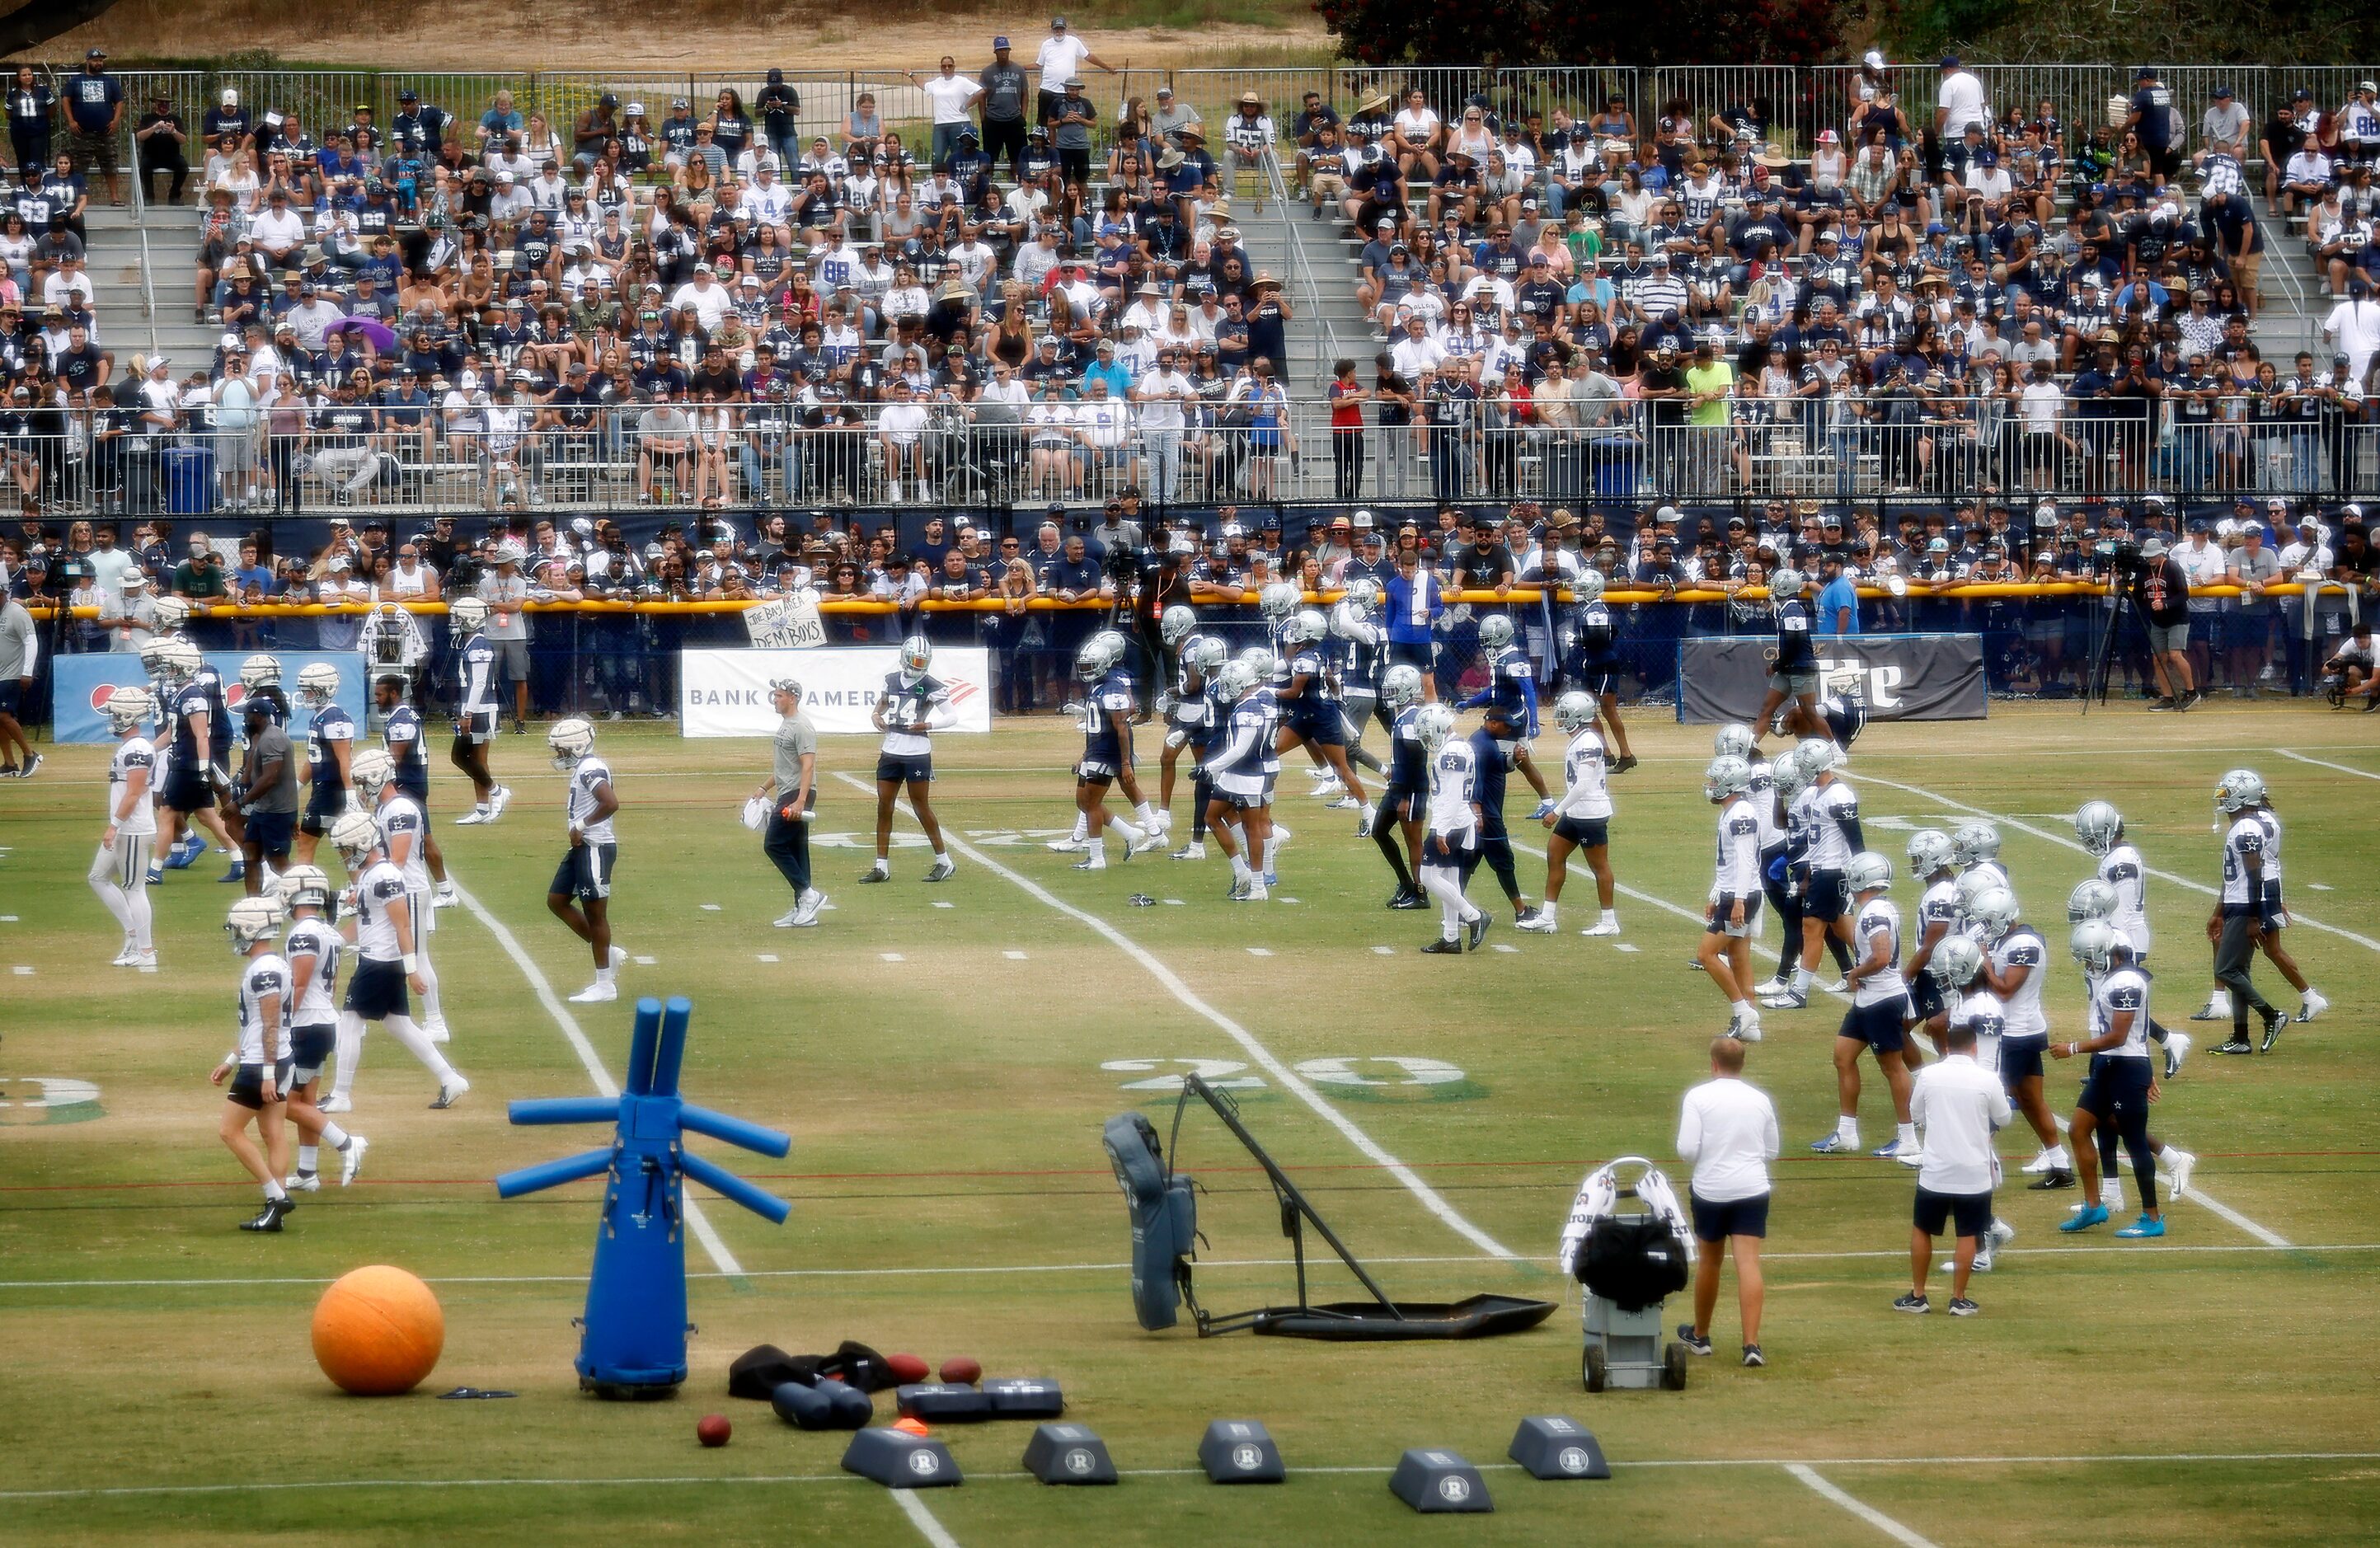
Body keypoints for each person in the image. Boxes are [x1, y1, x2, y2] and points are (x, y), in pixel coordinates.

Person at [319, 809, 467, 1114]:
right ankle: (450, 1078)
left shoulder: (385, 876)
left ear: (361, 844)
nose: (344, 855)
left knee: (348, 1024)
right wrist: (332, 941)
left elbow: (402, 924)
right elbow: (366, 921)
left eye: (346, 849)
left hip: (381, 962)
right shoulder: (372, 875)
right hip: (377, 958)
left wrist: (412, 970)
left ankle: (341, 1095)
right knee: (399, 1024)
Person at [2054, 922, 2166, 1239]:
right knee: (2078, 1129)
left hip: (2126, 1069)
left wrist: (2072, 1048)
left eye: (2090, 958)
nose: (2089, 966)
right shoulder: (2114, 978)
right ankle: (2094, 1206)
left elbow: (2119, 1036)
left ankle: (2152, 1217)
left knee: (2134, 1142)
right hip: (2108, 1066)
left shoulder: (2127, 981)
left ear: (2106, 953)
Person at [1674, 1036, 1777, 1365]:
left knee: (1710, 1261)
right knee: (1748, 1263)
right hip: (1752, 1187)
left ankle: (1701, 1334)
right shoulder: (1760, 1099)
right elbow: (1771, 1150)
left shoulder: (1698, 1097)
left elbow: (1687, 1150)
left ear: (1713, 1064)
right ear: (1742, 1065)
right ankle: (1751, 1344)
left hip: (1711, 1189)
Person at [1897, 1017, 2009, 1316]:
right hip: (1974, 1171)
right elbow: (2005, 1116)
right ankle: (1958, 1298)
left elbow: (1916, 1112)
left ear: (1946, 1046)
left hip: (1936, 1170)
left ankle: (1918, 1295)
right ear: (1974, 1048)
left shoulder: (1930, 1076)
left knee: (1922, 1229)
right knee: (1968, 1233)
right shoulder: (1987, 1079)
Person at [1813, 850, 1918, 1160]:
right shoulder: (1878, 908)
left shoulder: (1874, 913)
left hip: (1882, 998)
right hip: (1869, 999)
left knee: (1892, 1067)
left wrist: (1855, 972)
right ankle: (1847, 1133)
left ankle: (1909, 1137)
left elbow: (1882, 956)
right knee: (1843, 1056)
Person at [273, 865, 367, 1194]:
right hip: (323, 1021)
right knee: (306, 1101)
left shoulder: (303, 934)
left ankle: (346, 1143)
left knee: (285, 1103)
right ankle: (307, 1172)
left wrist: (282, 1024)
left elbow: (298, 986)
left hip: (307, 1025)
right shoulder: (327, 931)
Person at [351, 748, 448, 1041]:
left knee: (417, 958)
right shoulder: (384, 808)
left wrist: (369, 884)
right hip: (392, 890)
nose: (361, 788)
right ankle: (360, 1014)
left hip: (408, 890)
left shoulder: (400, 809)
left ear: (377, 777)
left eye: (363, 781)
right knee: (372, 952)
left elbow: (399, 858)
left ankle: (436, 1022)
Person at [214, 895, 296, 1231]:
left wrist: (264, 1073)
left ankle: (275, 1195)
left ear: (251, 928)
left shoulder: (264, 971)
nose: (235, 935)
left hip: (264, 1063)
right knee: (272, 1132)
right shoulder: (273, 965)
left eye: (237, 929)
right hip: (275, 1059)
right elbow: (256, 1025)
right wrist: (231, 1059)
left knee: (230, 1131)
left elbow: (269, 1024)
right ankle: (274, 1212)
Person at [1770, 738, 1861, 1010]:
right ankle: (1884, 969)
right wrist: (1809, 873)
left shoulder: (1839, 795)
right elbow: (1816, 842)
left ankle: (1799, 992)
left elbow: (1856, 841)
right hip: (1821, 870)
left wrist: (1857, 876)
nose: (1799, 771)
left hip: (1833, 872)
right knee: (1845, 931)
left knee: (1812, 930)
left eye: (1802, 766)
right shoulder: (1819, 793)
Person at [861, 636, 960, 884]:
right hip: (891, 749)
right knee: (884, 806)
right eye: (915, 660)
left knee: (920, 806)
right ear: (905, 656)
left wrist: (928, 724)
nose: (918, 665)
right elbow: (883, 704)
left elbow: (952, 716)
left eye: (922, 661)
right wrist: (875, 714)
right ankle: (881, 866)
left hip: (916, 752)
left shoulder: (931, 684)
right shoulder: (892, 679)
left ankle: (944, 861)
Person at [546, 717, 627, 1004]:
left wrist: (581, 825)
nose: (559, 755)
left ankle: (605, 984)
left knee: (595, 914)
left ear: (577, 747)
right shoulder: (584, 767)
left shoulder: (591, 768)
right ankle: (608, 950)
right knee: (556, 900)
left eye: (562, 750)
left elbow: (610, 802)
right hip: (583, 846)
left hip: (595, 846)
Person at [1527, 689, 1619, 937]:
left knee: (1599, 866)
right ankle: (1547, 918)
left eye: (1565, 714)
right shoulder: (1580, 738)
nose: (1560, 718)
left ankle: (1609, 921)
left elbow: (1583, 785)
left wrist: (1556, 810)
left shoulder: (1589, 741)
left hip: (1590, 812)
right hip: (1576, 812)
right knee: (1554, 855)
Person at [1275, 609, 1370, 831]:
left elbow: (1294, 692)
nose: (1294, 631)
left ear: (1309, 632)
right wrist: (1337, 699)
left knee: (1342, 768)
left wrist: (1267, 691)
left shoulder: (1304, 659)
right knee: (1271, 751)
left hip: (1320, 717)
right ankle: (1261, 810)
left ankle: (1369, 812)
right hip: (1307, 716)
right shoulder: (1316, 654)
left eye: (1299, 627)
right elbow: (1330, 679)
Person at [1693, 753, 1764, 1041]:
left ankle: (1743, 1012)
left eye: (1715, 780)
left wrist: (1737, 901)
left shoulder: (1741, 813)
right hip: (1736, 892)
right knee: (1738, 957)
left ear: (1729, 783)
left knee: (1707, 954)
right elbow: (1729, 862)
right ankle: (1753, 1026)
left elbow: (1746, 861)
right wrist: (1717, 893)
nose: (1710, 785)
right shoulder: (1734, 810)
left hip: (1741, 895)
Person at [90, 686, 157, 969]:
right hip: (128, 828)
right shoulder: (136, 747)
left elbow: (134, 792)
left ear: (129, 716)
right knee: (97, 877)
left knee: (134, 888)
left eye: (117, 713)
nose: (113, 718)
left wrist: (114, 826)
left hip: (132, 829)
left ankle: (146, 951)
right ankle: (133, 935)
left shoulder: (137, 749)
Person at [1413, 703, 1488, 953]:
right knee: (1449, 878)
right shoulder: (1458, 746)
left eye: (1427, 733)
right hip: (1458, 818)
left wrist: (1441, 830)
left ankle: (1474, 916)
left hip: (1451, 820)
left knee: (1427, 876)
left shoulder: (1452, 751)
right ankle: (1450, 937)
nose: (1426, 740)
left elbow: (1454, 793)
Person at [375, 672, 455, 907]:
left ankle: (445, 891)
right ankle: (444, 890)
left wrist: (374, 780)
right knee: (393, 835)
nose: (376, 699)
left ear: (394, 693)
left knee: (422, 838)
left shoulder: (401, 720)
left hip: (406, 785)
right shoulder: (402, 716)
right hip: (406, 783)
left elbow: (395, 758)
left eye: (380, 694)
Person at [757, 677, 825, 928]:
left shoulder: (801, 726)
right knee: (797, 848)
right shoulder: (787, 724)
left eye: (779, 696)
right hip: (788, 791)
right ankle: (803, 909)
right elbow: (785, 765)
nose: (775, 699)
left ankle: (808, 895)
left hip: (796, 794)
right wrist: (765, 787)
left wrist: (801, 801)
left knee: (773, 844)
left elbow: (808, 765)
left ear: (792, 698)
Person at [1366, 663, 1428, 906]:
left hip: (1409, 789)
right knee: (1379, 831)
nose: (1389, 695)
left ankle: (1421, 893)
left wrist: (1404, 795)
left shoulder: (1412, 719)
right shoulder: (1402, 716)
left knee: (1414, 842)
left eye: (1394, 690)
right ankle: (1406, 884)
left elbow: (1415, 759)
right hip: (1399, 787)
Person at [446, 595, 510, 824]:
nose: (454, 622)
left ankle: (496, 792)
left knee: (464, 757)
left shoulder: (480, 646)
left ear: (471, 619)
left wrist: (468, 713)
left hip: (481, 709)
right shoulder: (471, 643)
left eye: (458, 617)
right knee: (471, 758)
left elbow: (480, 684)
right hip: (474, 707)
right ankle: (482, 808)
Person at [1567, 568, 1636, 771]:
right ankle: (1606, 753)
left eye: (1582, 587)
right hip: (1591, 664)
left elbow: (1600, 638)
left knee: (1608, 709)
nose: (1578, 591)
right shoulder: (1587, 609)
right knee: (1588, 710)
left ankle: (1626, 754)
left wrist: (1578, 639)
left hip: (1603, 664)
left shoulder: (1597, 610)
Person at [232, 697, 298, 897]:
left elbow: (270, 778)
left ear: (258, 716)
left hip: (277, 811)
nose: (244, 719)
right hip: (263, 809)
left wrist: (240, 803)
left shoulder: (272, 739)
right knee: (250, 855)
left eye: (247, 715)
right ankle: (253, 903)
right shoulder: (261, 738)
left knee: (279, 863)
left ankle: (314, 891)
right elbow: (249, 777)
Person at [291, 663, 351, 868]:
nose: (306, 696)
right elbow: (315, 758)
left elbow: (344, 759)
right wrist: (297, 786)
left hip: (329, 791)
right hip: (326, 789)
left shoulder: (334, 718)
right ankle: (359, 891)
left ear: (326, 689)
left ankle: (301, 890)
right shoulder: (320, 717)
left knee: (306, 844)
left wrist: (350, 794)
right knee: (347, 849)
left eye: (310, 692)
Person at [1749, 568, 1819, 746]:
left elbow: (1794, 644)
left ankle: (1834, 750)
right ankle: (1750, 746)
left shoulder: (1793, 609)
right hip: (1787, 668)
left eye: (1776, 586)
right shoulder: (1785, 609)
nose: (1773, 590)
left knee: (1809, 711)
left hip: (1798, 669)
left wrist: (1777, 665)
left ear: (1785, 588)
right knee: (1767, 709)